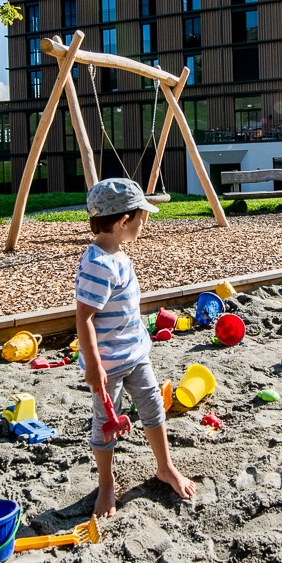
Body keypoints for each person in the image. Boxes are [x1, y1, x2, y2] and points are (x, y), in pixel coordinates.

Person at [75, 178, 194, 517]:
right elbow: (83, 319)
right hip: (109, 364)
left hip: (135, 354)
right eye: (143, 217)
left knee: (153, 408)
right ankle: (107, 483)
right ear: (124, 221)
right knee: (104, 424)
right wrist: (95, 366)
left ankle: (165, 466)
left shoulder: (115, 252)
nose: (146, 224)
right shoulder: (99, 265)